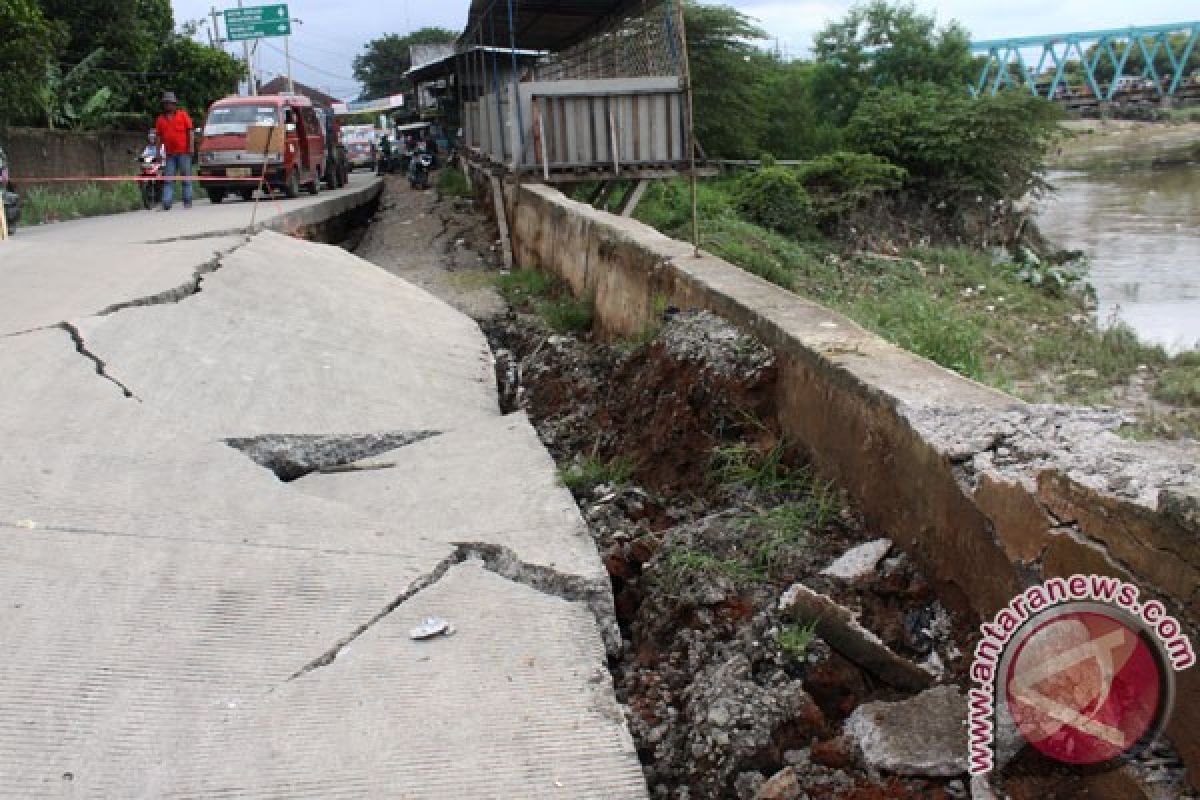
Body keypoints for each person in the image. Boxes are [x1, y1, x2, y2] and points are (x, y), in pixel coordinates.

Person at [154, 91, 194, 210]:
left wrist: (191, 147)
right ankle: (167, 203)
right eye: (165, 103)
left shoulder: (183, 115)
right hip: (169, 154)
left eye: (170, 103)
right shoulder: (160, 119)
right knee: (168, 179)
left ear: (174, 104)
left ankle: (187, 202)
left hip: (184, 153)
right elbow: (158, 137)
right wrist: (158, 153)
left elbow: (190, 132)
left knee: (186, 178)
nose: (168, 106)